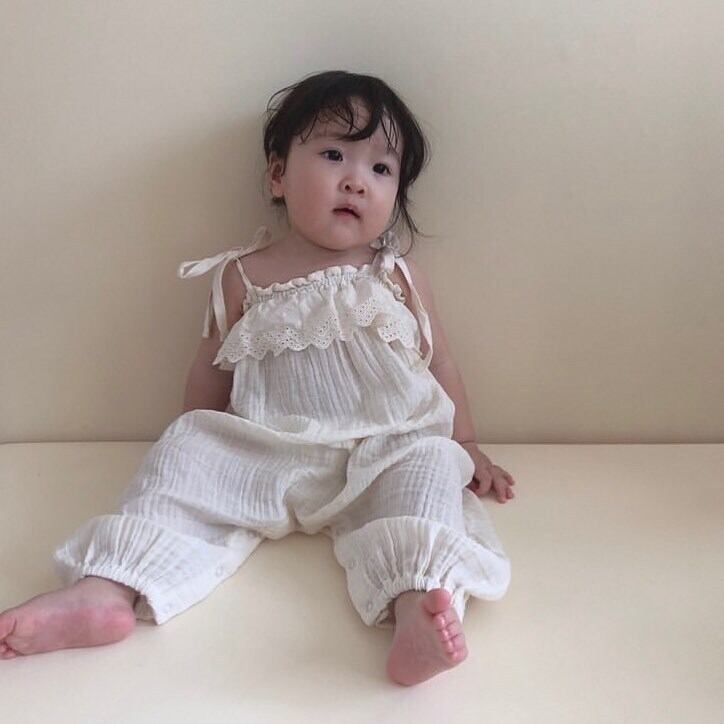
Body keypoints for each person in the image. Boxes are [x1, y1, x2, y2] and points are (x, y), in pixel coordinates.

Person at [0, 70, 516, 686]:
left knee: (428, 476)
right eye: (334, 155)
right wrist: (190, 441)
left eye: (381, 169)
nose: (357, 180)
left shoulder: (397, 275)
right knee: (188, 451)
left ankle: (417, 608)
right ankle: (106, 590)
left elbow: (441, 361)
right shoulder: (242, 276)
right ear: (278, 175)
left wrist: (465, 443)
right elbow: (208, 371)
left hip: (387, 447)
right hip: (267, 447)